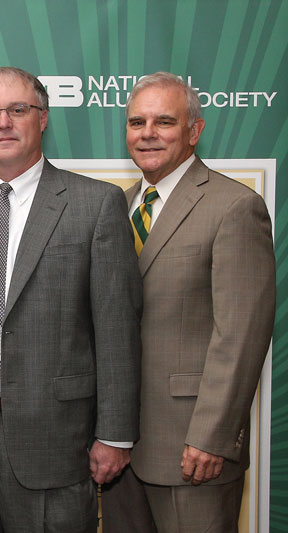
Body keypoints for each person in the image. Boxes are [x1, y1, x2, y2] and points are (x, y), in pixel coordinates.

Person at [0, 66, 142, 532]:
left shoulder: (95, 204)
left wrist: (115, 435)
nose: (3, 122)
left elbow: (117, 328)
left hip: (55, 443)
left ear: (42, 119)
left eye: (18, 109)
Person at [101, 72, 276, 532]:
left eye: (164, 121)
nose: (147, 134)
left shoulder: (234, 207)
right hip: (119, 447)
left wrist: (213, 437)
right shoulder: (116, 208)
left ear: (194, 131)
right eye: (136, 122)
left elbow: (241, 336)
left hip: (192, 450)